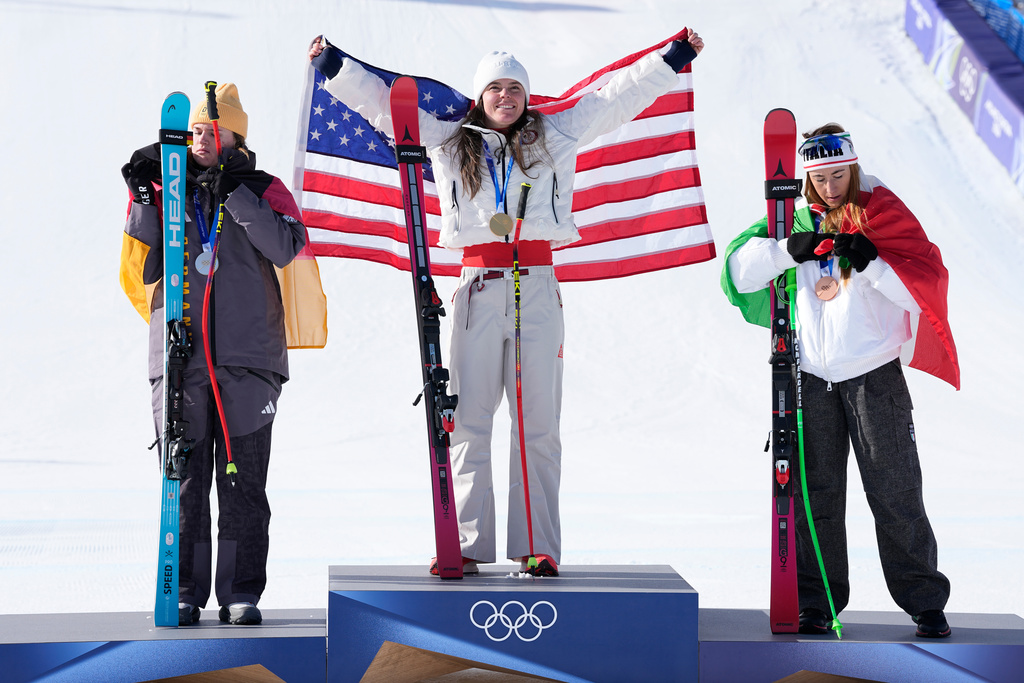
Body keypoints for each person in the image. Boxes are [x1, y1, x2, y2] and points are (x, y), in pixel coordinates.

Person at [309, 31, 703, 576]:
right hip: (477, 287)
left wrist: (673, 59)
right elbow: (387, 108)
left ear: (525, 94)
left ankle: (538, 545)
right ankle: (466, 543)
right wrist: (335, 67)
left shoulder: (556, 132)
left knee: (536, 422)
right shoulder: (449, 139)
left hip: (537, 283)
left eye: (514, 88)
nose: (505, 97)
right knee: (468, 421)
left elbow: (617, 98)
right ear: (480, 95)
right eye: (494, 88)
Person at [721, 123, 958, 638]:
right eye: (820, 178)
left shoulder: (882, 214)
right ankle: (818, 602)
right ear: (806, 179)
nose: (830, 187)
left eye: (838, 175)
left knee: (895, 489)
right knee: (813, 496)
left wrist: (870, 262)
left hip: (873, 373)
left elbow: (922, 292)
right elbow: (738, 272)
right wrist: (788, 249)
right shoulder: (791, 220)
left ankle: (924, 601)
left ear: (852, 169)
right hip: (808, 376)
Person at [120, 83, 307, 625]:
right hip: (179, 356)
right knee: (184, 478)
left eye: (212, 130)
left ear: (235, 136)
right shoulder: (168, 187)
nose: (201, 139)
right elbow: (148, 266)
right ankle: (183, 590)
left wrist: (235, 195)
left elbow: (285, 247)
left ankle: (240, 592)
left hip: (248, 360)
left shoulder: (263, 187)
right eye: (195, 130)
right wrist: (147, 197)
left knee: (243, 481)